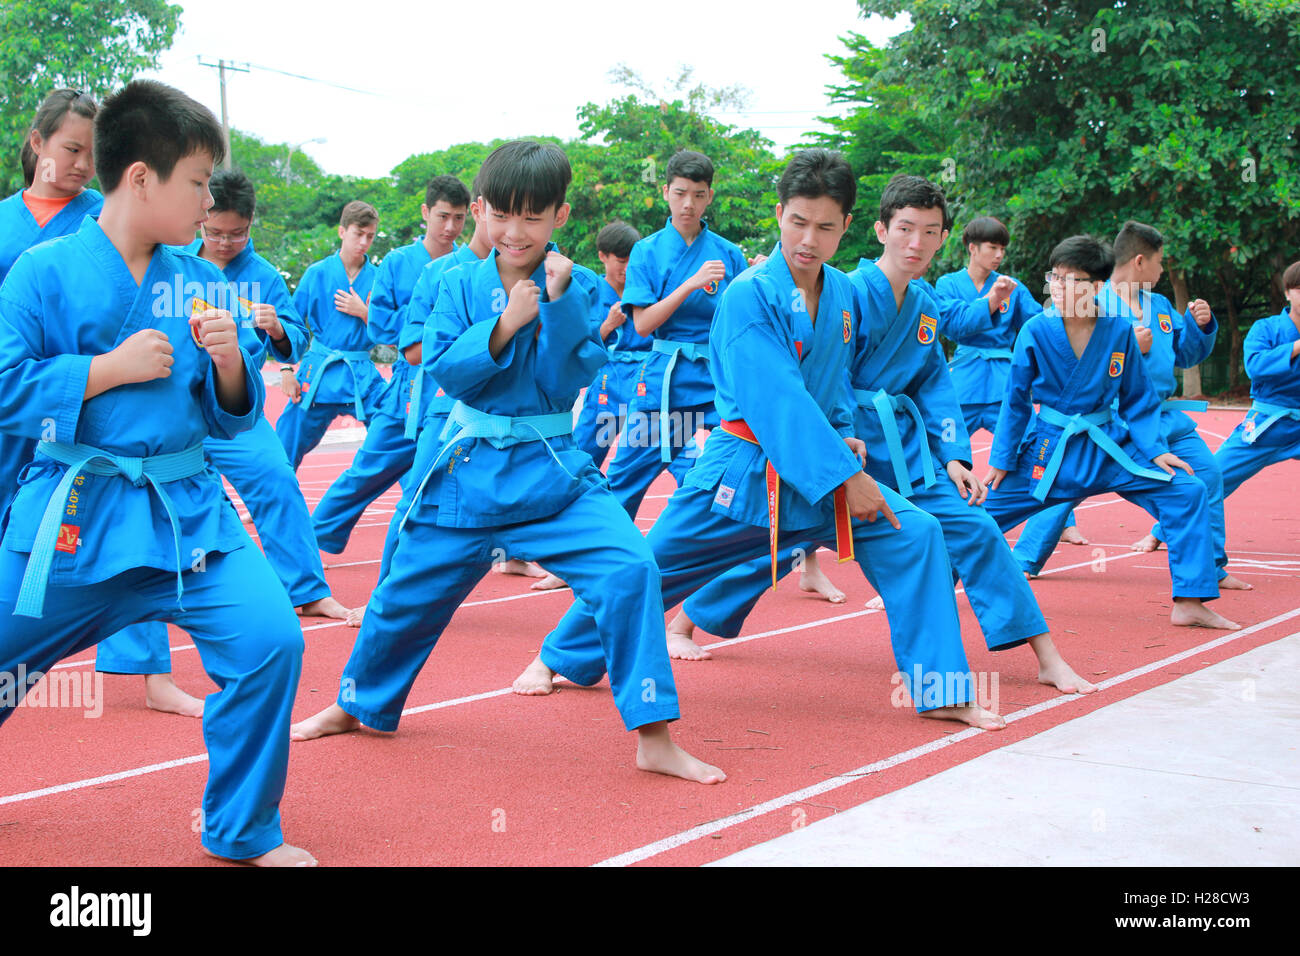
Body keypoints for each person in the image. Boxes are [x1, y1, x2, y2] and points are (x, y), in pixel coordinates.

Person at [515, 152, 1005, 732]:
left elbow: (836, 385)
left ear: (847, 226)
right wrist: (850, 479)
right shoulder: (750, 294)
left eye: (825, 226)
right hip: (743, 472)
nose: (809, 239)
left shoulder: (844, 293)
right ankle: (557, 656)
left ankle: (942, 689)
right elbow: (779, 403)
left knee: (918, 533)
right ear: (779, 214)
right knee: (649, 568)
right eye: (798, 222)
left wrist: (847, 435)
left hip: (821, 475)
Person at [289, 140, 726, 784]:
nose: (516, 233)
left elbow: (568, 378)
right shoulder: (454, 283)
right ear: (483, 211)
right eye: (505, 215)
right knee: (401, 596)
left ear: (559, 216)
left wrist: (550, 307)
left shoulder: (571, 286)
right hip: (465, 474)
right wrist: (504, 325)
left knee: (632, 567)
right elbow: (446, 369)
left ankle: (653, 733)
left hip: (551, 472)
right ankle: (359, 705)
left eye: (534, 217)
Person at [0, 79, 311, 865]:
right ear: (140, 177)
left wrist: (232, 362)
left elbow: (226, 415)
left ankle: (241, 827)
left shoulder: (204, 281)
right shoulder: (41, 272)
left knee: (272, 641)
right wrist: (102, 370)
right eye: (198, 183)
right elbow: (6, 392)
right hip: (74, 521)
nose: (209, 204)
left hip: (186, 519)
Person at [668, 175, 1094, 694]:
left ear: (943, 240)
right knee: (776, 540)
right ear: (878, 230)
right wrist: (838, 450)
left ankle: (1040, 654)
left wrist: (955, 453)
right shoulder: (844, 290)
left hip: (905, 450)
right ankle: (681, 620)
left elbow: (935, 382)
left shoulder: (927, 304)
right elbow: (816, 379)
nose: (916, 243)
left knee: (974, 530)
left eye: (930, 232)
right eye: (905, 229)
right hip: (843, 446)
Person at [981, 235, 1238, 630]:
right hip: (1048, 451)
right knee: (976, 517)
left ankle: (1189, 601)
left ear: (1097, 287)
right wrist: (1002, 459)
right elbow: (1015, 401)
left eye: (1072, 280)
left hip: (1108, 448)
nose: (1060, 288)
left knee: (1188, 490)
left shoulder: (1118, 329)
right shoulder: (1036, 329)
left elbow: (1137, 396)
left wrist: (1154, 450)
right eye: (1056, 278)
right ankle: (923, 593)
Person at [311, 176, 470, 554]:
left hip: (454, 391)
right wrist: (434, 323)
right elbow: (380, 325)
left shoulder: (471, 264)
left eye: (459, 218)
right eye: (443, 216)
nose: (450, 227)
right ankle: (312, 543)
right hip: (408, 389)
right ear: (425, 213)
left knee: (467, 480)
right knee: (366, 472)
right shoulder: (399, 262)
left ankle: (506, 555)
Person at [935, 217, 1090, 553]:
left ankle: (1063, 522)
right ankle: (941, 517)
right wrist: (991, 301)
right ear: (972, 248)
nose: (998, 255)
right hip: (964, 380)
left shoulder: (1013, 286)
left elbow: (1040, 324)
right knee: (942, 449)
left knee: (1042, 446)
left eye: (1002, 248)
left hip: (1005, 383)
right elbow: (953, 326)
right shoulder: (947, 284)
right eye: (992, 247)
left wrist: (1077, 317)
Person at [275, 200, 382, 470]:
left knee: (392, 432)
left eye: (370, 236)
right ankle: (266, 507)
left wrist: (365, 312)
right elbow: (291, 324)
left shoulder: (378, 278)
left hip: (361, 374)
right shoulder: (317, 274)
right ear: (342, 231)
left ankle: (417, 502)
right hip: (319, 372)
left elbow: (392, 331)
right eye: (358, 234)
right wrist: (287, 370)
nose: (364, 242)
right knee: (284, 442)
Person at [1200, 259, 1300, 507]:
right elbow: (1256, 366)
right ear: (1287, 292)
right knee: (1215, 477)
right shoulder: (1265, 329)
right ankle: (1160, 531)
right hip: (1269, 424)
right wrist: (1297, 347)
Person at [571, 220, 647, 467]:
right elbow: (580, 345)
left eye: (632, 261)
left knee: (671, 447)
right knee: (583, 456)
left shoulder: (645, 292)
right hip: (607, 382)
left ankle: (705, 496)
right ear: (603, 256)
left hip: (644, 380)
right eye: (621, 260)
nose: (627, 268)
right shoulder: (591, 293)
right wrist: (608, 325)